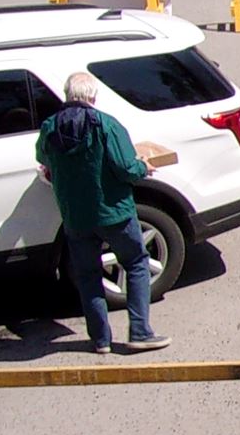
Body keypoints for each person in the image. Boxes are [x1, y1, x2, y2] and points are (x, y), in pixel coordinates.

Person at [35, 71, 169, 354]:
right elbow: (125, 168)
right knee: (135, 263)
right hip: (115, 214)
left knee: (87, 277)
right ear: (93, 97)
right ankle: (140, 332)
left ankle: (100, 340)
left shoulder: (49, 128)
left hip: (76, 217)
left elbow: (43, 158)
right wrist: (143, 166)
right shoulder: (106, 126)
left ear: (67, 95)